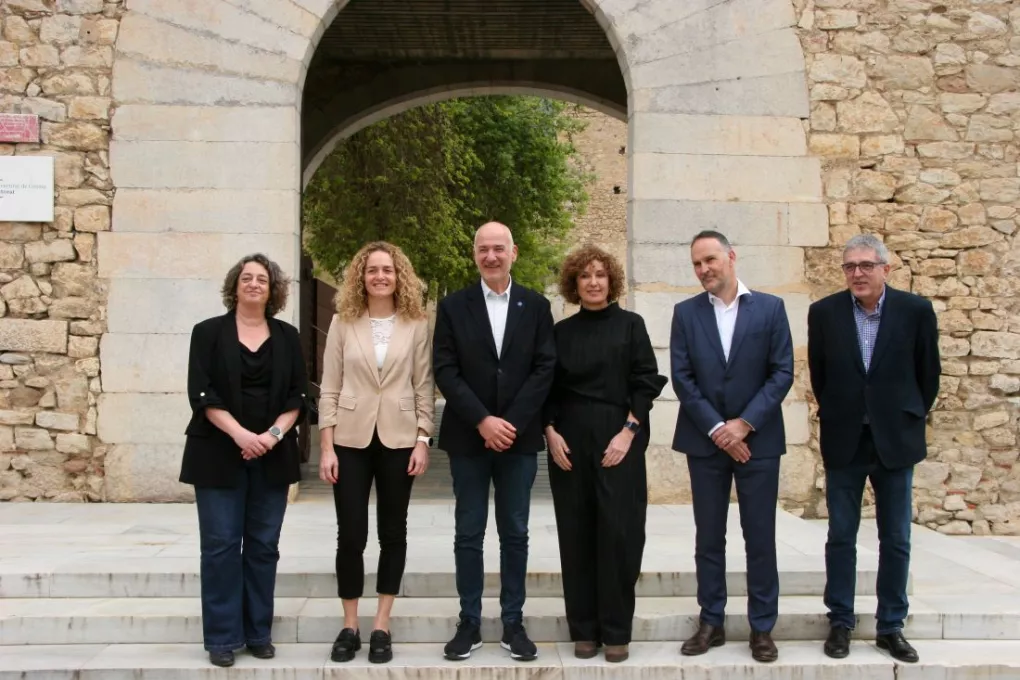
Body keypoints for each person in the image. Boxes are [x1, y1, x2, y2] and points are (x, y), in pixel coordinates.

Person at [808, 234, 940, 664]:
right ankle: (841, 622)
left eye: (866, 265)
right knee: (841, 536)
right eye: (850, 267)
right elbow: (820, 376)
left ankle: (891, 626)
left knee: (896, 537)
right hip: (845, 438)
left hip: (895, 439)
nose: (857, 274)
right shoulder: (824, 313)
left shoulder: (916, 311)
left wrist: (905, 414)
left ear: (886, 268)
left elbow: (928, 374)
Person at [432, 221, 556, 662]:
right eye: (483, 249)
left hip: (518, 442)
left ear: (514, 252)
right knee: (468, 532)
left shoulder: (537, 306)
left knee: (515, 532)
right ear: (474, 255)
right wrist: (484, 420)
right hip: (468, 437)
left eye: (498, 248)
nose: (490, 256)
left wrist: (512, 423)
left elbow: (545, 369)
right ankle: (468, 621)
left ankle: (512, 622)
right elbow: (445, 370)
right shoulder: (453, 306)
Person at [669, 230, 793, 664]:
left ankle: (762, 627)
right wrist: (720, 430)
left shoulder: (771, 309)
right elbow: (682, 378)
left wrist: (743, 426)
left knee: (760, 536)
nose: (703, 269)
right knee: (709, 536)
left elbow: (782, 373)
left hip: (759, 441)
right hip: (705, 443)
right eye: (697, 264)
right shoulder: (685, 314)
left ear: (731, 257)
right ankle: (712, 620)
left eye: (710, 260)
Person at [180, 253, 308, 668]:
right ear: (235, 286)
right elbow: (201, 392)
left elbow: (298, 396)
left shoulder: (288, 336)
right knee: (219, 546)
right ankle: (221, 637)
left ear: (273, 290)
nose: (254, 284)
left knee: (263, 546)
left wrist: (270, 436)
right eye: (247, 278)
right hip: (217, 452)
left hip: (272, 454)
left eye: (262, 280)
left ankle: (258, 632)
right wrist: (241, 435)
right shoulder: (207, 333)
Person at [543, 245, 666, 663]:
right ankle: (584, 629)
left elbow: (646, 381)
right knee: (576, 534)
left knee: (619, 534)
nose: (593, 282)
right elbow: (548, 389)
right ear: (574, 284)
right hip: (570, 444)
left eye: (600, 274)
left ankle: (616, 630)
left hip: (619, 439)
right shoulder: (560, 333)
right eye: (584, 276)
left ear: (611, 280)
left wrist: (629, 432)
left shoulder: (632, 326)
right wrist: (550, 433)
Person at [317, 241, 435, 665]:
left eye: (387, 270)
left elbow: (424, 385)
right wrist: (326, 446)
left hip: (399, 439)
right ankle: (350, 624)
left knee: (393, 533)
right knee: (350, 534)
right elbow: (329, 386)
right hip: (349, 439)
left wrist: (424, 438)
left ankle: (382, 623)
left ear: (399, 275)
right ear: (360, 277)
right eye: (372, 270)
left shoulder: (417, 323)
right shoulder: (343, 322)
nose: (380, 276)